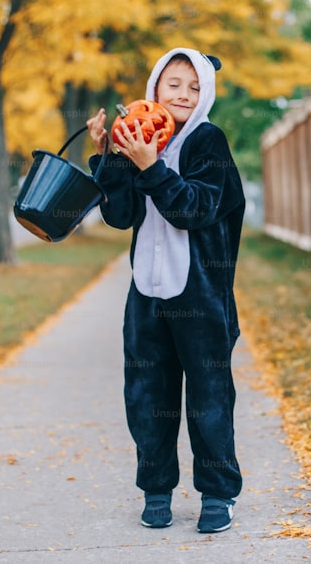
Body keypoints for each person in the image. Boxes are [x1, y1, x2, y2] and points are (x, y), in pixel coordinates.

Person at [85, 47, 246, 533]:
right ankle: (156, 489)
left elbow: (193, 208)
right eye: (174, 84)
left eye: (195, 87)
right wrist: (111, 158)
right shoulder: (140, 137)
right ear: (155, 87)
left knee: (209, 396)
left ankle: (217, 494)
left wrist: (151, 166)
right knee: (146, 394)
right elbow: (121, 216)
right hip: (147, 297)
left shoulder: (207, 143)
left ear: (206, 96)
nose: (183, 94)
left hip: (201, 300)